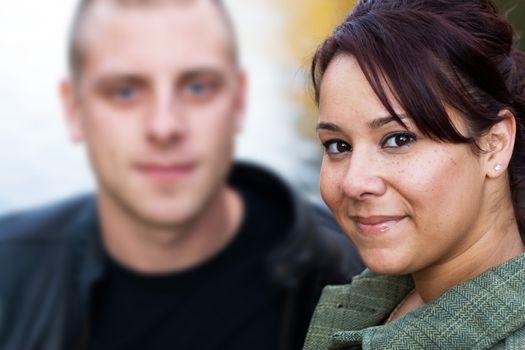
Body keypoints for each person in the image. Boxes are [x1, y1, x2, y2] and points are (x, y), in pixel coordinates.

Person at [0, 0, 365, 349]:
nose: (164, 126)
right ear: (74, 108)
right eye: (125, 91)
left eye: (197, 87)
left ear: (238, 101)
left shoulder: (360, 275)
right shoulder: (9, 273)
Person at [303, 0, 525, 349]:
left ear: (494, 145)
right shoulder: (379, 300)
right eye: (338, 146)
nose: (353, 182)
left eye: (398, 139)